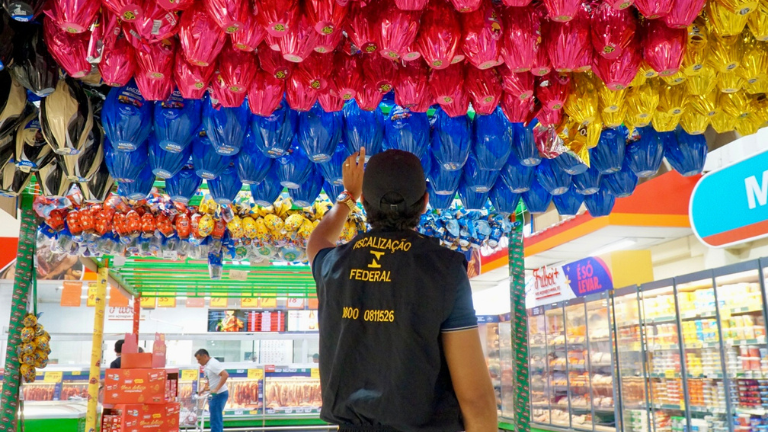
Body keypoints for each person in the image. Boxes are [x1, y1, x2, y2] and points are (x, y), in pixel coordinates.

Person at [307, 148, 498, 432]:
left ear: (365, 205)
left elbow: (317, 240)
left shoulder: (332, 266)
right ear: (424, 203)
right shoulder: (445, 269)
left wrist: (347, 197)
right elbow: (475, 400)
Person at [195, 349, 229, 432]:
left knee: (215, 420)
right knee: (216, 419)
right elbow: (210, 379)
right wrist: (203, 389)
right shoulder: (207, 365)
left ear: (205, 356)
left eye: (199, 359)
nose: (198, 362)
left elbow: (225, 375)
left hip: (219, 395)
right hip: (215, 395)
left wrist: (216, 389)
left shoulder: (213, 363)